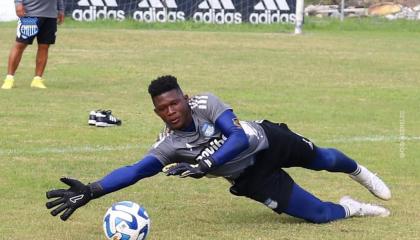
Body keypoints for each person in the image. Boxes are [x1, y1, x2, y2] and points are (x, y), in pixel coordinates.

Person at [46, 75, 391, 223]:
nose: (171, 111)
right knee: (318, 216)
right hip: (251, 177)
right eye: (163, 109)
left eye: (174, 103)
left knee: (325, 159)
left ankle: (359, 172)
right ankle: (351, 208)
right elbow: (137, 170)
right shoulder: (169, 144)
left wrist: (206, 164)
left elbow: (237, 137)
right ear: (156, 112)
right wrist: (93, 189)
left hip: (269, 141)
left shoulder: (206, 102)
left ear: (184, 97)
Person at [1, 0, 65, 90]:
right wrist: (18, 3)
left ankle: (37, 80)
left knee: (44, 46)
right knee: (20, 45)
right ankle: (9, 79)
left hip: (50, 15)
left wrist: (61, 9)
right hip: (30, 13)